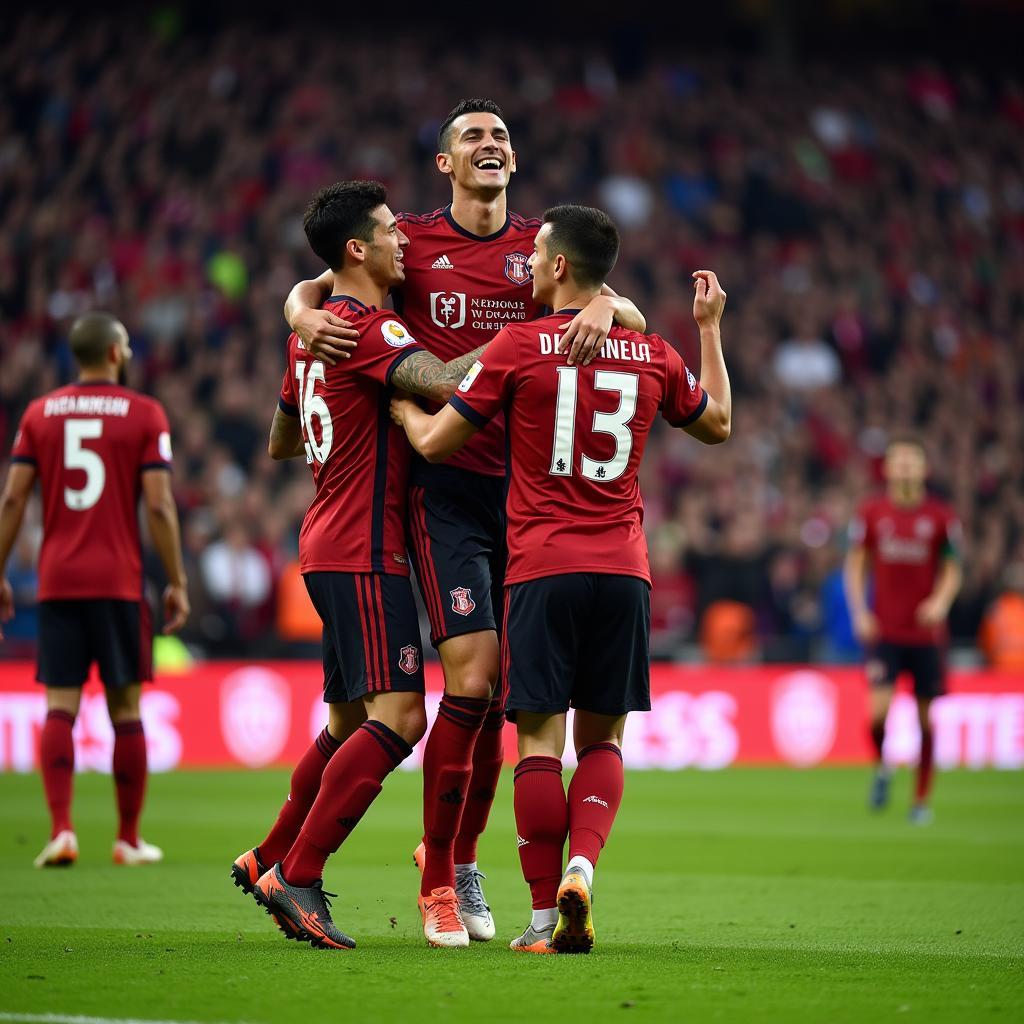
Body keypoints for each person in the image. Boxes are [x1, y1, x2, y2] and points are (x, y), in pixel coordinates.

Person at [284, 99, 648, 944]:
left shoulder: (539, 246)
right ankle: (440, 877)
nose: (491, 145)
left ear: (513, 163)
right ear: (445, 165)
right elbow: (322, 286)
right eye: (472, 138)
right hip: (443, 489)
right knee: (473, 680)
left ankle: (459, 856)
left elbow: (617, 305)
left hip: (530, 502)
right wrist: (299, 315)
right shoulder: (408, 242)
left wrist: (609, 309)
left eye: (501, 137)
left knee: (507, 700)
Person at [390, 205, 731, 953]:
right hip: (626, 571)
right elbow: (718, 424)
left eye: (539, 254)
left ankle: (544, 916)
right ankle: (584, 864)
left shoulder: (518, 346)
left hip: (541, 567)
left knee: (538, 742)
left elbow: (443, 442)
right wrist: (707, 328)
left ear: (558, 268)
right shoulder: (650, 350)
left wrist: (406, 416)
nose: (529, 263)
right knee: (603, 738)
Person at [233, 180, 497, 951]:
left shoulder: (311, 333)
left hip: (324, 538)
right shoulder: (365, 329)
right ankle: (301, 877)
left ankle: (269, 854)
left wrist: (299, 313)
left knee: (347, 721)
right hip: (364, 548)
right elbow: (447, 382)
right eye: (388, 231)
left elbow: (282, 441)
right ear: (358, 249)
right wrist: (533, 336)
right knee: (401, 716)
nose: (402, 240)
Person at [0, 312, 189, 867]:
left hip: (57, 581)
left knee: (59, 704)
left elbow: (13, 500)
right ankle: (127, 839)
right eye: (127, 345)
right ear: (113, 353)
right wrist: (176, 580)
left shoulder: (39, 413)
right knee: (125, 708)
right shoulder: (144, 412)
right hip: (118, 582)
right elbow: (158, 503)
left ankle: (61, 830)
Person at [844, 436, 963, 825]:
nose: (907, 467)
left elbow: (952, 568)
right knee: (877, 716)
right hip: (885, 631)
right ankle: (882, 766)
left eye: (914, 461)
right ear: (889, 469)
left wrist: (940, 603)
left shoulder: (942, 516)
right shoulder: (873, 512)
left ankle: (921, 799)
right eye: (901, 462)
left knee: (926, 721)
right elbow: (856, 565)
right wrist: (860, 611)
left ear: (925, 469)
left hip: (926, 635)